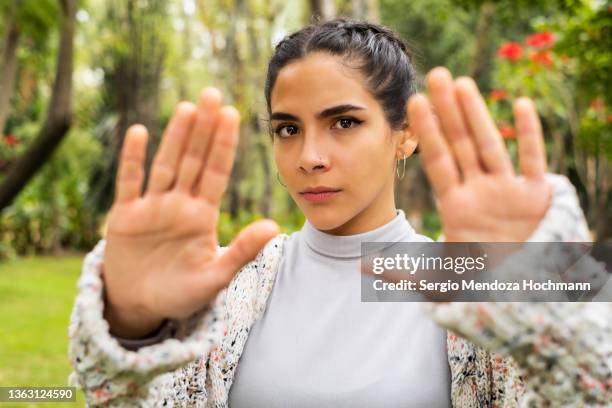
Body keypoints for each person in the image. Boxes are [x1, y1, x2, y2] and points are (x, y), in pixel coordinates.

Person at [67, 19, 611, 407]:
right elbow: (124, 398)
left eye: (344, 122)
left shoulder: (462, 273)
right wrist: (133, 328)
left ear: (405, 135)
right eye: (288, 129)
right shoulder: (238, 282)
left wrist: (545, 293)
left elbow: (590, 387)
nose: (310, 157)